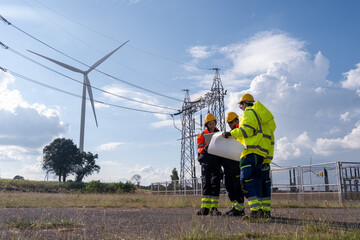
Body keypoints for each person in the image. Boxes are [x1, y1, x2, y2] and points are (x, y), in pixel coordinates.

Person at [223, 94, 276, 219]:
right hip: (262, 156)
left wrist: (231, 133)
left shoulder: (248, 113)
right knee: (261, 183)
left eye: (241, 105)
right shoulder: (265, 120)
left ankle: (256, 211)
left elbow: (247, 131)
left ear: (245, 104)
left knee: (246, 181)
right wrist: (268, 157)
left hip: (249, 153)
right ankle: (264, 211)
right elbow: (270, 140)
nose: (241, 108)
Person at [196, 113, 223, 216]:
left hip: (216, 162)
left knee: (215, 184)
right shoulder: (202, 135)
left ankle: (214, 208)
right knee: (206, 183)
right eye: (210, 124)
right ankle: (205, 208)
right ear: (206, 125)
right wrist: (204, 149)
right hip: (206, 162)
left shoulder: (219, 133)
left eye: (213, 123)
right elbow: (199, 148)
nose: (212, 125)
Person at [221, 112, 245, 216]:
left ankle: (240, 209)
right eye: (228, 123)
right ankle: (235, 207)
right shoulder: (231, 133)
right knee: (229, 186)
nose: (230, 124)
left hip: (236, 164)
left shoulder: (240, 131)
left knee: (237, 187)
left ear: (236, 120)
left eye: (231, 122)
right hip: (228, 165)